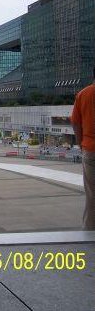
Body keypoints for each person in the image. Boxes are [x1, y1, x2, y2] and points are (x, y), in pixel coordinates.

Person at [71, 66, 95, 230]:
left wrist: (81, 143)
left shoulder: (84, 94)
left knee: (92, 195)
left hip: (90, 149)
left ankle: (89, 233)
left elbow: (75, 122)